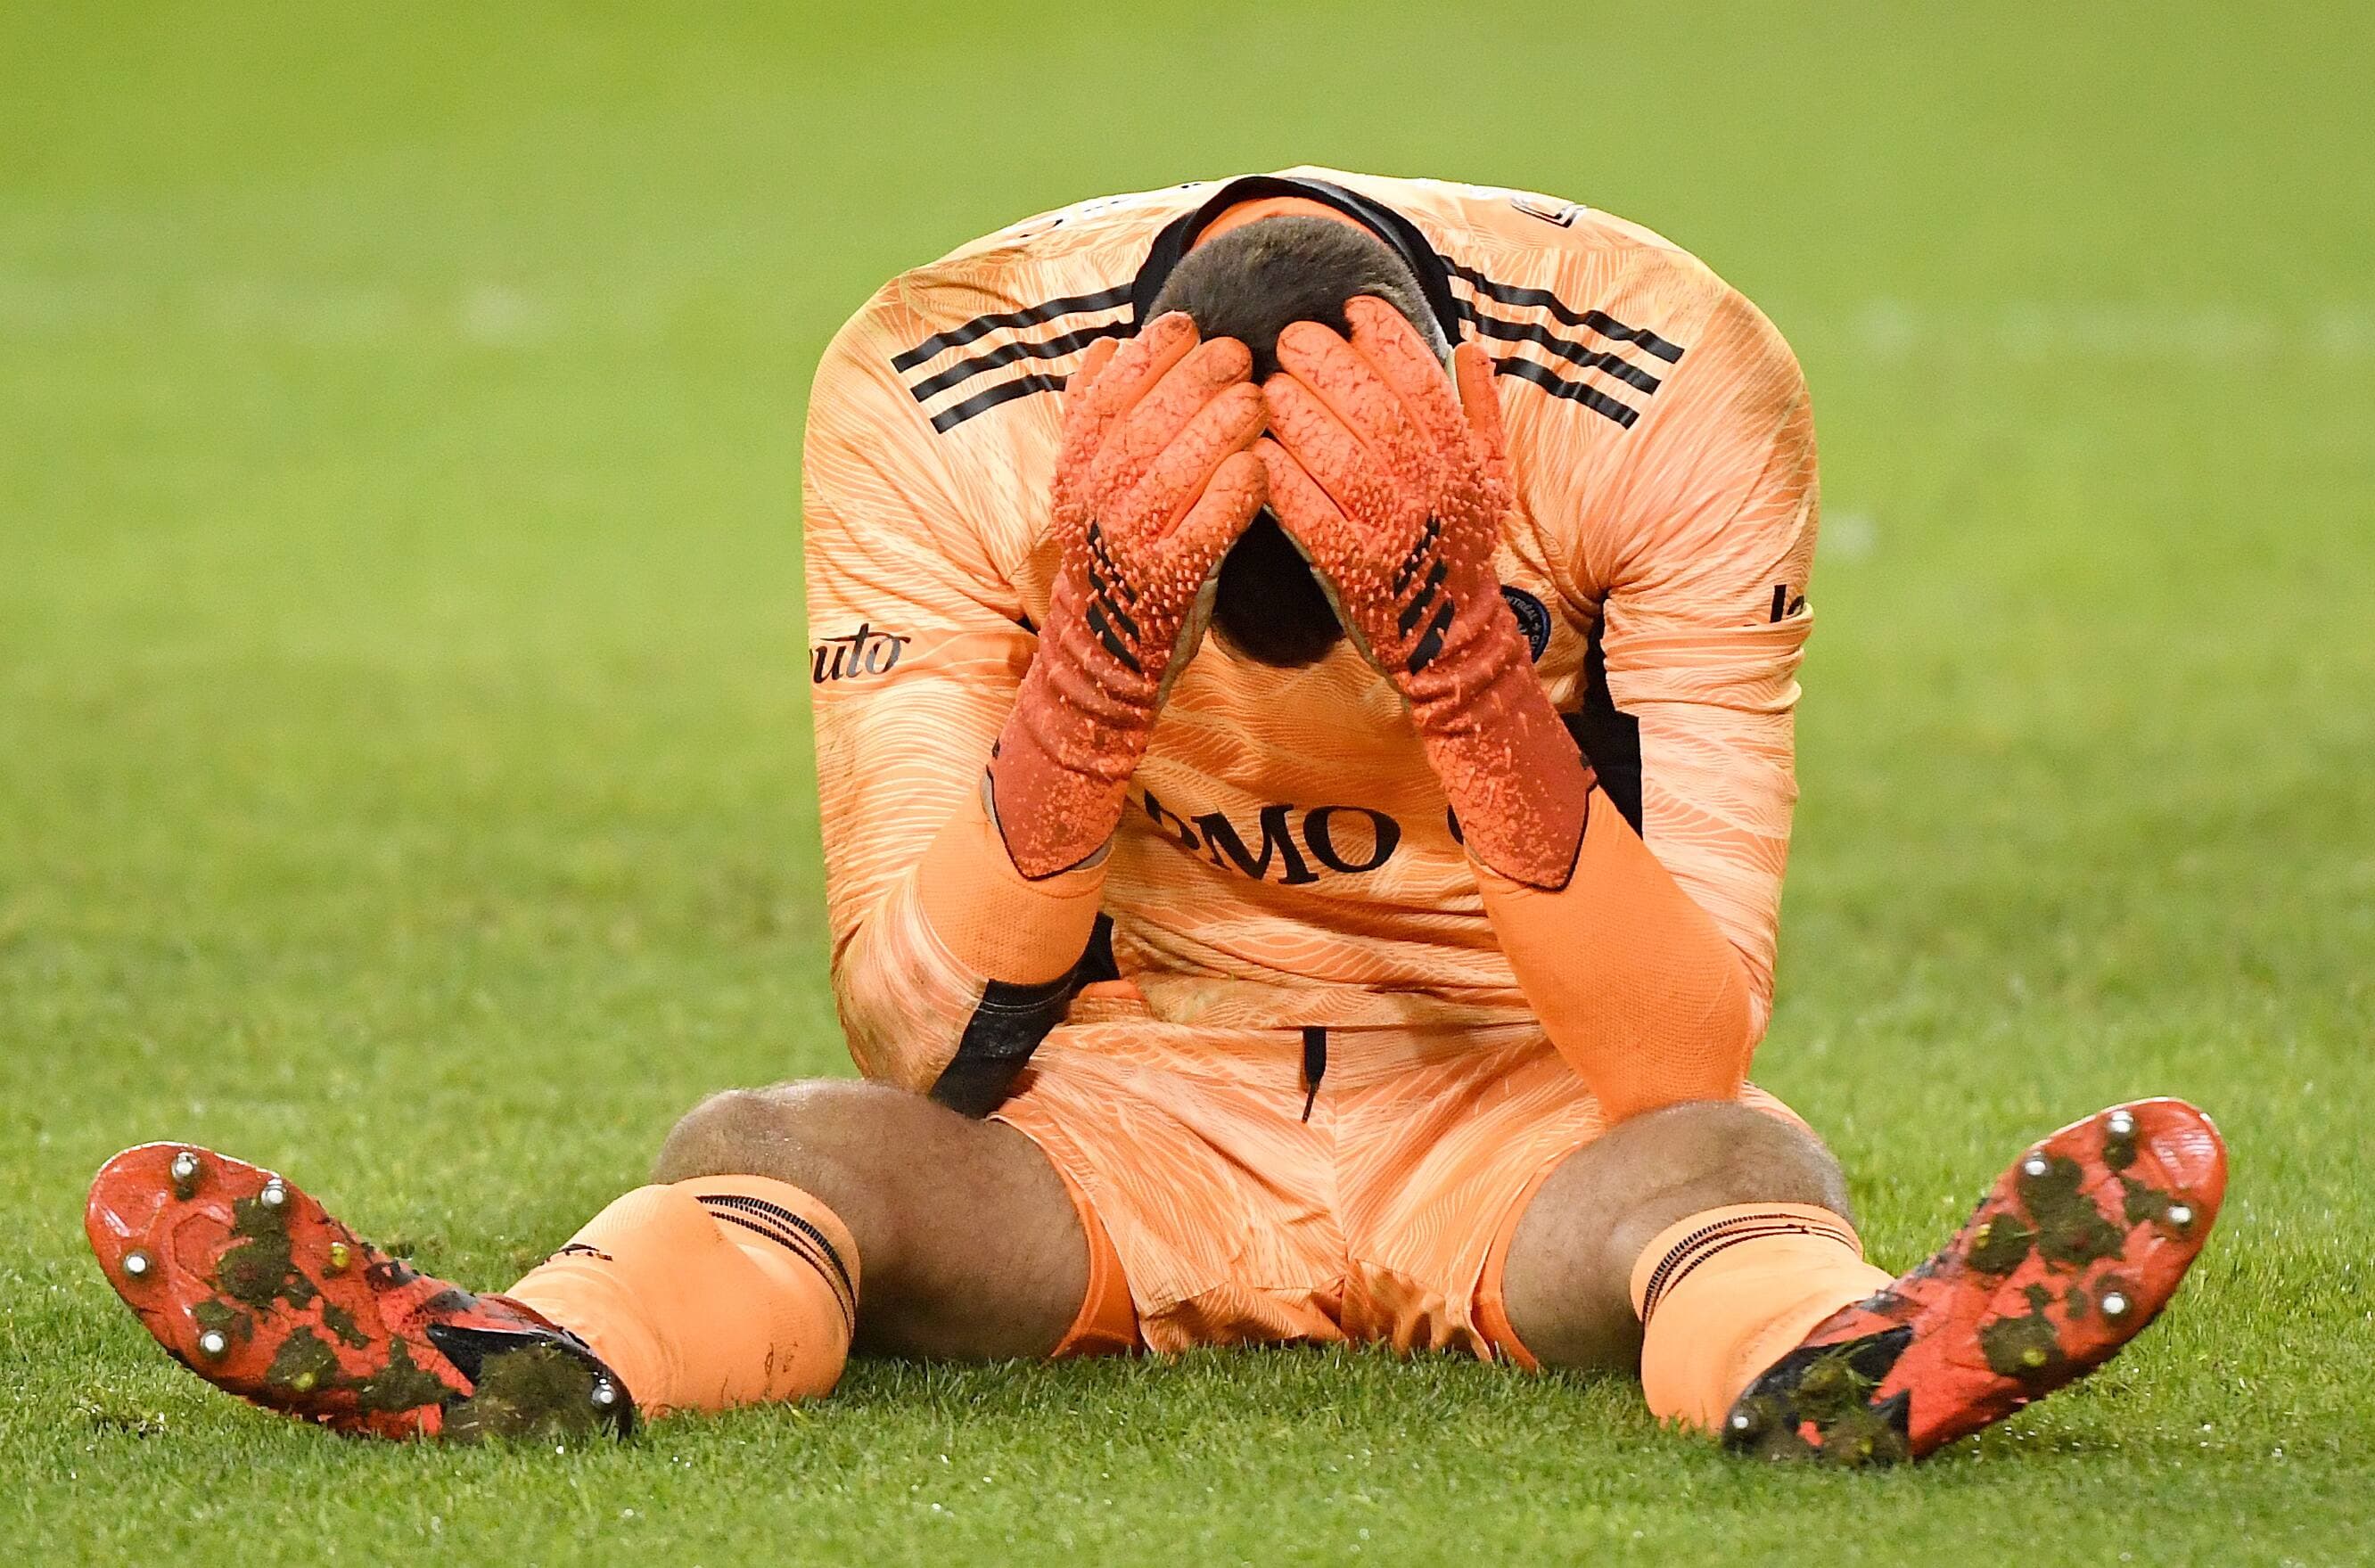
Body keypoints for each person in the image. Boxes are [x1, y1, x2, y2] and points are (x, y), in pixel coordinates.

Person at [86, 168, 2225, 1462]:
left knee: (1736, 1161)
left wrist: (1461, 664)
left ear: (1478, 423)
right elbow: (922, 1040)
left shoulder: (1665, 383)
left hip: (1522, 1107)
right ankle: (519, 1354)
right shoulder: (938, 389)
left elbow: (1678, 1053)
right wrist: (1093, 669)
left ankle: (1850, 1356)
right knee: (780, 1145)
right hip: (1117, 1124)